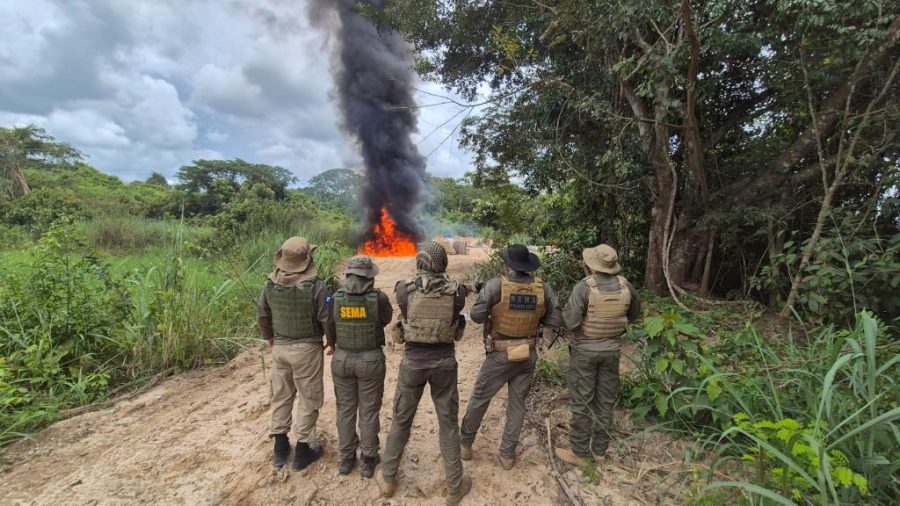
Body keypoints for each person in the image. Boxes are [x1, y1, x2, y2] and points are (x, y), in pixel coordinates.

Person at [381, 241, 473, 505]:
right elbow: (457, 328)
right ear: (442, 264)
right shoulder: (457, 293)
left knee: (401, 420)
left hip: (412, 363)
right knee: (448, 424)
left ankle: (388, 479)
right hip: (444, 363)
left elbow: (400, 328)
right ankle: (455, 488)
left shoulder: (403, 290)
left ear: (419, 261)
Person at [460, 244, 562, 470]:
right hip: (527, 353)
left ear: (508, 265)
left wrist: (487, 306)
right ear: (527, 266)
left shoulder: (496, 286)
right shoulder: (542, 288)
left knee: (480, 398)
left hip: (500, 354)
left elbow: (476, 316)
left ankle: (465, 445)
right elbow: (555, 320)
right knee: (517, 405)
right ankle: (507, 455)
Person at [554, 244, 641, 468]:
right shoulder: (626, 286)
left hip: (584, 352)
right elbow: (634, 315)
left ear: (591, 265)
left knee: (582, 402)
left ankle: (581, 453)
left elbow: (571, 322)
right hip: (612, 352)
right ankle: (600, 451)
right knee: (605, 400)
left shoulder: (583, 288)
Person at [257, 236, 335, 472]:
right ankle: (302, 451)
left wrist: (270, 337)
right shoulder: (316, 285)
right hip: (307, 350)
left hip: (280, 348)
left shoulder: (270, 284)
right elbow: (326, 319)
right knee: (309, 398)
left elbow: (262, 315)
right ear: (307, 259)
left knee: (280, 396)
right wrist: (331, 342)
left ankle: (280, 449)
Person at [327, 256, 393, 478]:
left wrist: (332, 344)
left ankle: (346, 459)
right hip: (370, 360)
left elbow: (330, 324)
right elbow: (385, 319)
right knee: (368, 411)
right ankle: (368, 460)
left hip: (342, 359)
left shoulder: (336, 298)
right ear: (369, 277)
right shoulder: (379, 298)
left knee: (345, 410)